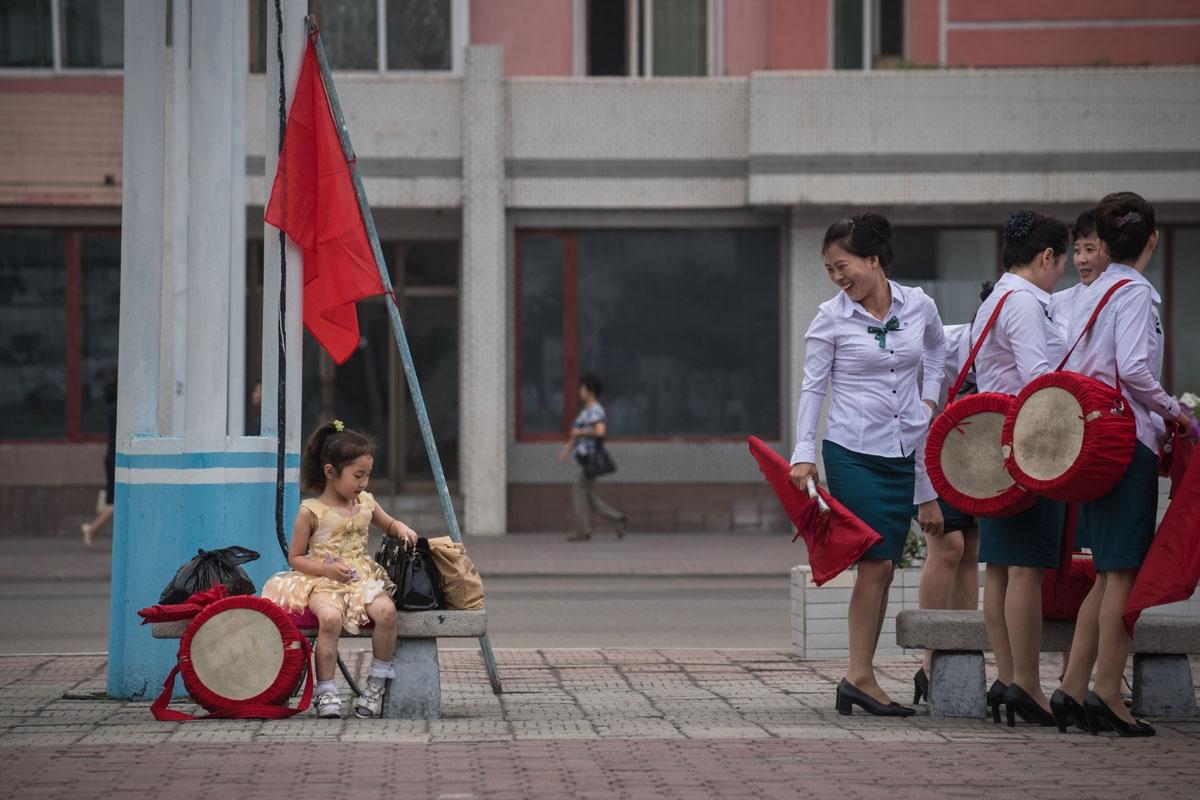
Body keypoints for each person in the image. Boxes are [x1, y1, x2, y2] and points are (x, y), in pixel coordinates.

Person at [789, 213, 946, 717]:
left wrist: (929, 400)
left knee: (882, 567)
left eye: (843, 266)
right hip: (852, 451)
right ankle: (859, 674)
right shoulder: (830, 318)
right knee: (875, 562)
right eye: (830, 270)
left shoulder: (918, 305)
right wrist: (803, 454)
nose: (838, 278)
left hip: (902, 453)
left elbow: (938, 351)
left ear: (873, 260)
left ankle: (859, 676)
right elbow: (813, 389)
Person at [1051, 192, 1189, 737]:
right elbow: (1132, 368)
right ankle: (1108, 691)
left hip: (1091, 441)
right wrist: (1175, 411)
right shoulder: (1134, 293)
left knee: (1106, 575)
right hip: (1125, 441)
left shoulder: (1089, 294)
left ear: (1104, 246)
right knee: (1122, 575)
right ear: (1151, 241)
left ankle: (1072, 687)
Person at [972, 211, 1069, 727]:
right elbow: (1038, 379)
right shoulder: (1027, 304)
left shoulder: (994, 300)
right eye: (1062, 263)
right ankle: (1027, 683)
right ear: (1046, 257)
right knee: (1027, 567)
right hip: (1030, 445)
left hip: (993, 448)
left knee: (1003, 569)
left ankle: (1010, 678)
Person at [262, 420, 419, 719]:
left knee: (386, 613)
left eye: (368, 475)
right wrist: (325, 570)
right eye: (358, 475)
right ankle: (327, 691)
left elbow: (388, 524)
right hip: (324, 579)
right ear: (330, 472)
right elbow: (296, 558)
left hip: (362, 578)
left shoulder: (366, 503)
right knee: (331, 619)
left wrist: (402, 528)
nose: (363, 483)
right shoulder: (311, 511)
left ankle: (376, 685)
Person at [913, 319, 981, 705]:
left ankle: (962, 652)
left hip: (972, 460)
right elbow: (912, 411)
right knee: (947, 547)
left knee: (970, 549)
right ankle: (931, 658)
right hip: (929, 455)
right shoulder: (942, 346)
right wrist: (921, 488)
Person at [558, 373, 627, 542]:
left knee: (578, 491)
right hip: (584, 459)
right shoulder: (586, 411)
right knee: (586, 495)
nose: (580, 391)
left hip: (591, 460)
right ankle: (617, 518)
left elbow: (600, 432)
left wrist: (580, 432)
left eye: (582, 388)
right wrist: (568, 448)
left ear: (591, 391)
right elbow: (576, 433)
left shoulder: (596, 410)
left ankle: (584, 531)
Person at [81, 380, 118, 546]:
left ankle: (92, 528)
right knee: (116, 502)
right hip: (115, 459)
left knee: (114, 501)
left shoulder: (112, 410)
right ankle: (91, 528)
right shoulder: (118, 410)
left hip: (111, 458)